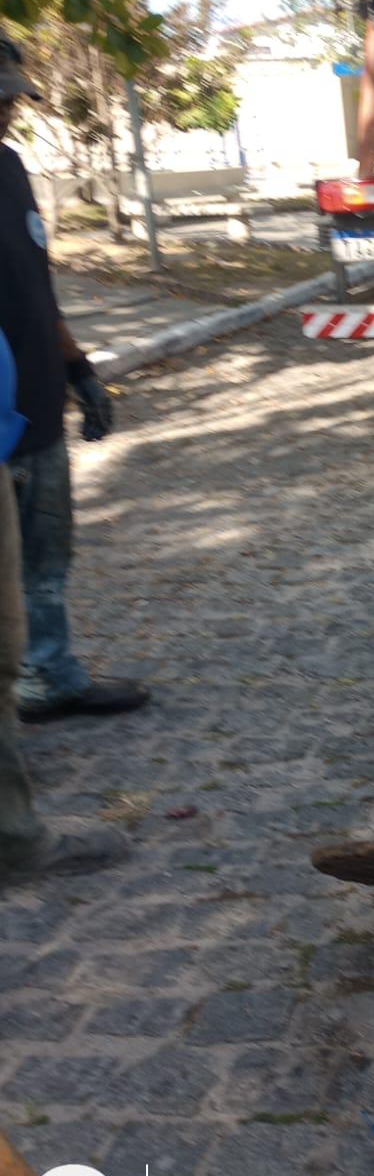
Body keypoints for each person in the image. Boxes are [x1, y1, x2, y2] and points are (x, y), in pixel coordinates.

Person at [0, 36, 148, 722]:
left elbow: (38, 286)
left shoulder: (9, 168)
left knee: (46, 563)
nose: (8, 111)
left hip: (35, 408)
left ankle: (50, 677)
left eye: (11, 98)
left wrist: (78, 369)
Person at [1, 326, 128, 883]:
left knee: (14, 632)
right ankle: (13, 844)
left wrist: (78, 371)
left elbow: (42, 305)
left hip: (21, 432)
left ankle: (51, 678)